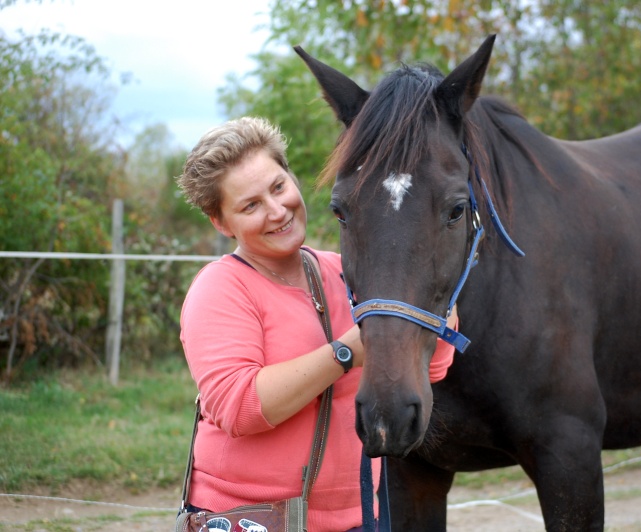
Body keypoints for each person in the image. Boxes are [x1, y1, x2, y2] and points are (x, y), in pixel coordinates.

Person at [176, 116, 457, 532]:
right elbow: (241, 407)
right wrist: (345, 352)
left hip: (358, 519)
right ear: (221, 222)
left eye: (278, 187)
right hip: (249, 522)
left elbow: (429, 370)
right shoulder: (220, 288)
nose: (277, 211)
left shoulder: (346, 273)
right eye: (250, 205)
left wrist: (433, 311)